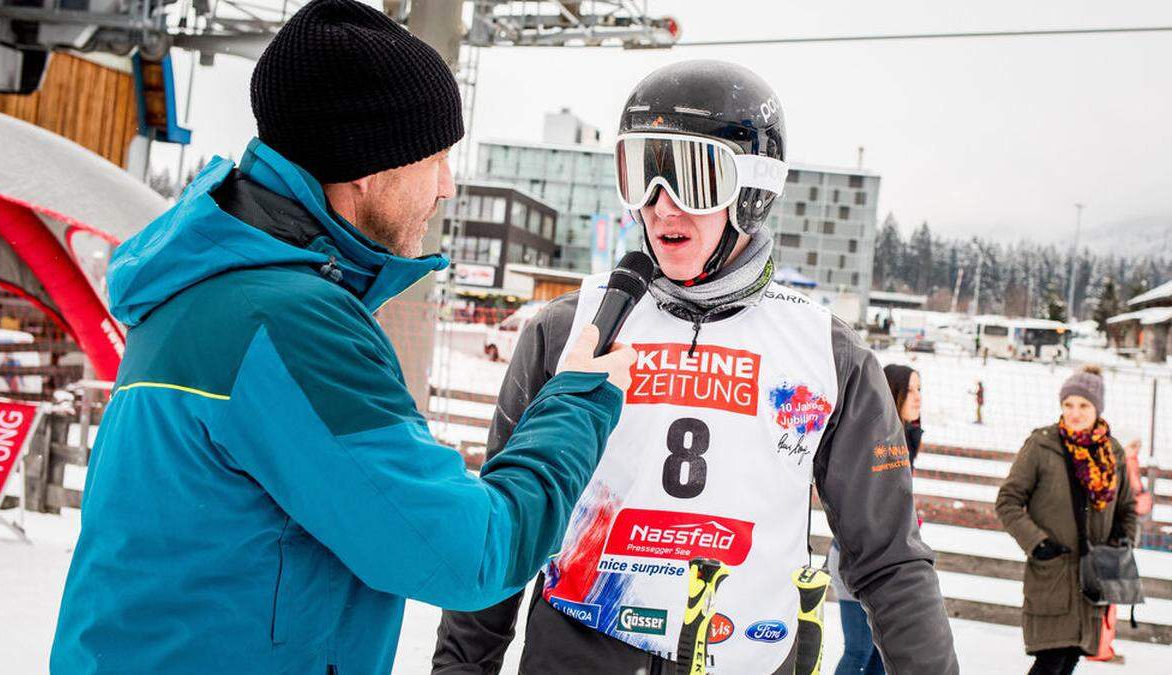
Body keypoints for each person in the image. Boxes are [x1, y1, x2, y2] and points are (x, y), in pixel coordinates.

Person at [48, 1, 636, 673]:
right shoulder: (287, 324)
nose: (445, 186)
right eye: (435, 156)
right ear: (365, 165)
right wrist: (577, 403)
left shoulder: (206, 288)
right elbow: (470, 552)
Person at [432, 60, 957, 675]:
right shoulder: (568, 331)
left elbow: (889, 557)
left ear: (753, 190)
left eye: (692, 179)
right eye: (642, 175)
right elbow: (506, 523)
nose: (661, 206)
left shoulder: (826, 354)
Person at [996, 365, 1139, 675]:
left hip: (1094, 578)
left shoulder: (1112, 452)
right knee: (1051, 661)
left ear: (1097, 408)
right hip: (1053, 575)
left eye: (1083, 405)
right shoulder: (1042, 445)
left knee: (1070, 658)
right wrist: (1037, 543)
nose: (1075, 413)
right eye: (1068, 404)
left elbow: (1127, 507)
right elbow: (1007, 501)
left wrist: (1123, 541)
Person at [830, 364, 923, 674]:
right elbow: (860, 498)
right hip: (857, 555)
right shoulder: (875, 438)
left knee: (880, 658)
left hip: (886, 556)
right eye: (910, 390)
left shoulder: (907, 438)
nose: (918, 398)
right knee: (859, 651)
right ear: (892, 393)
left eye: (920, 389)